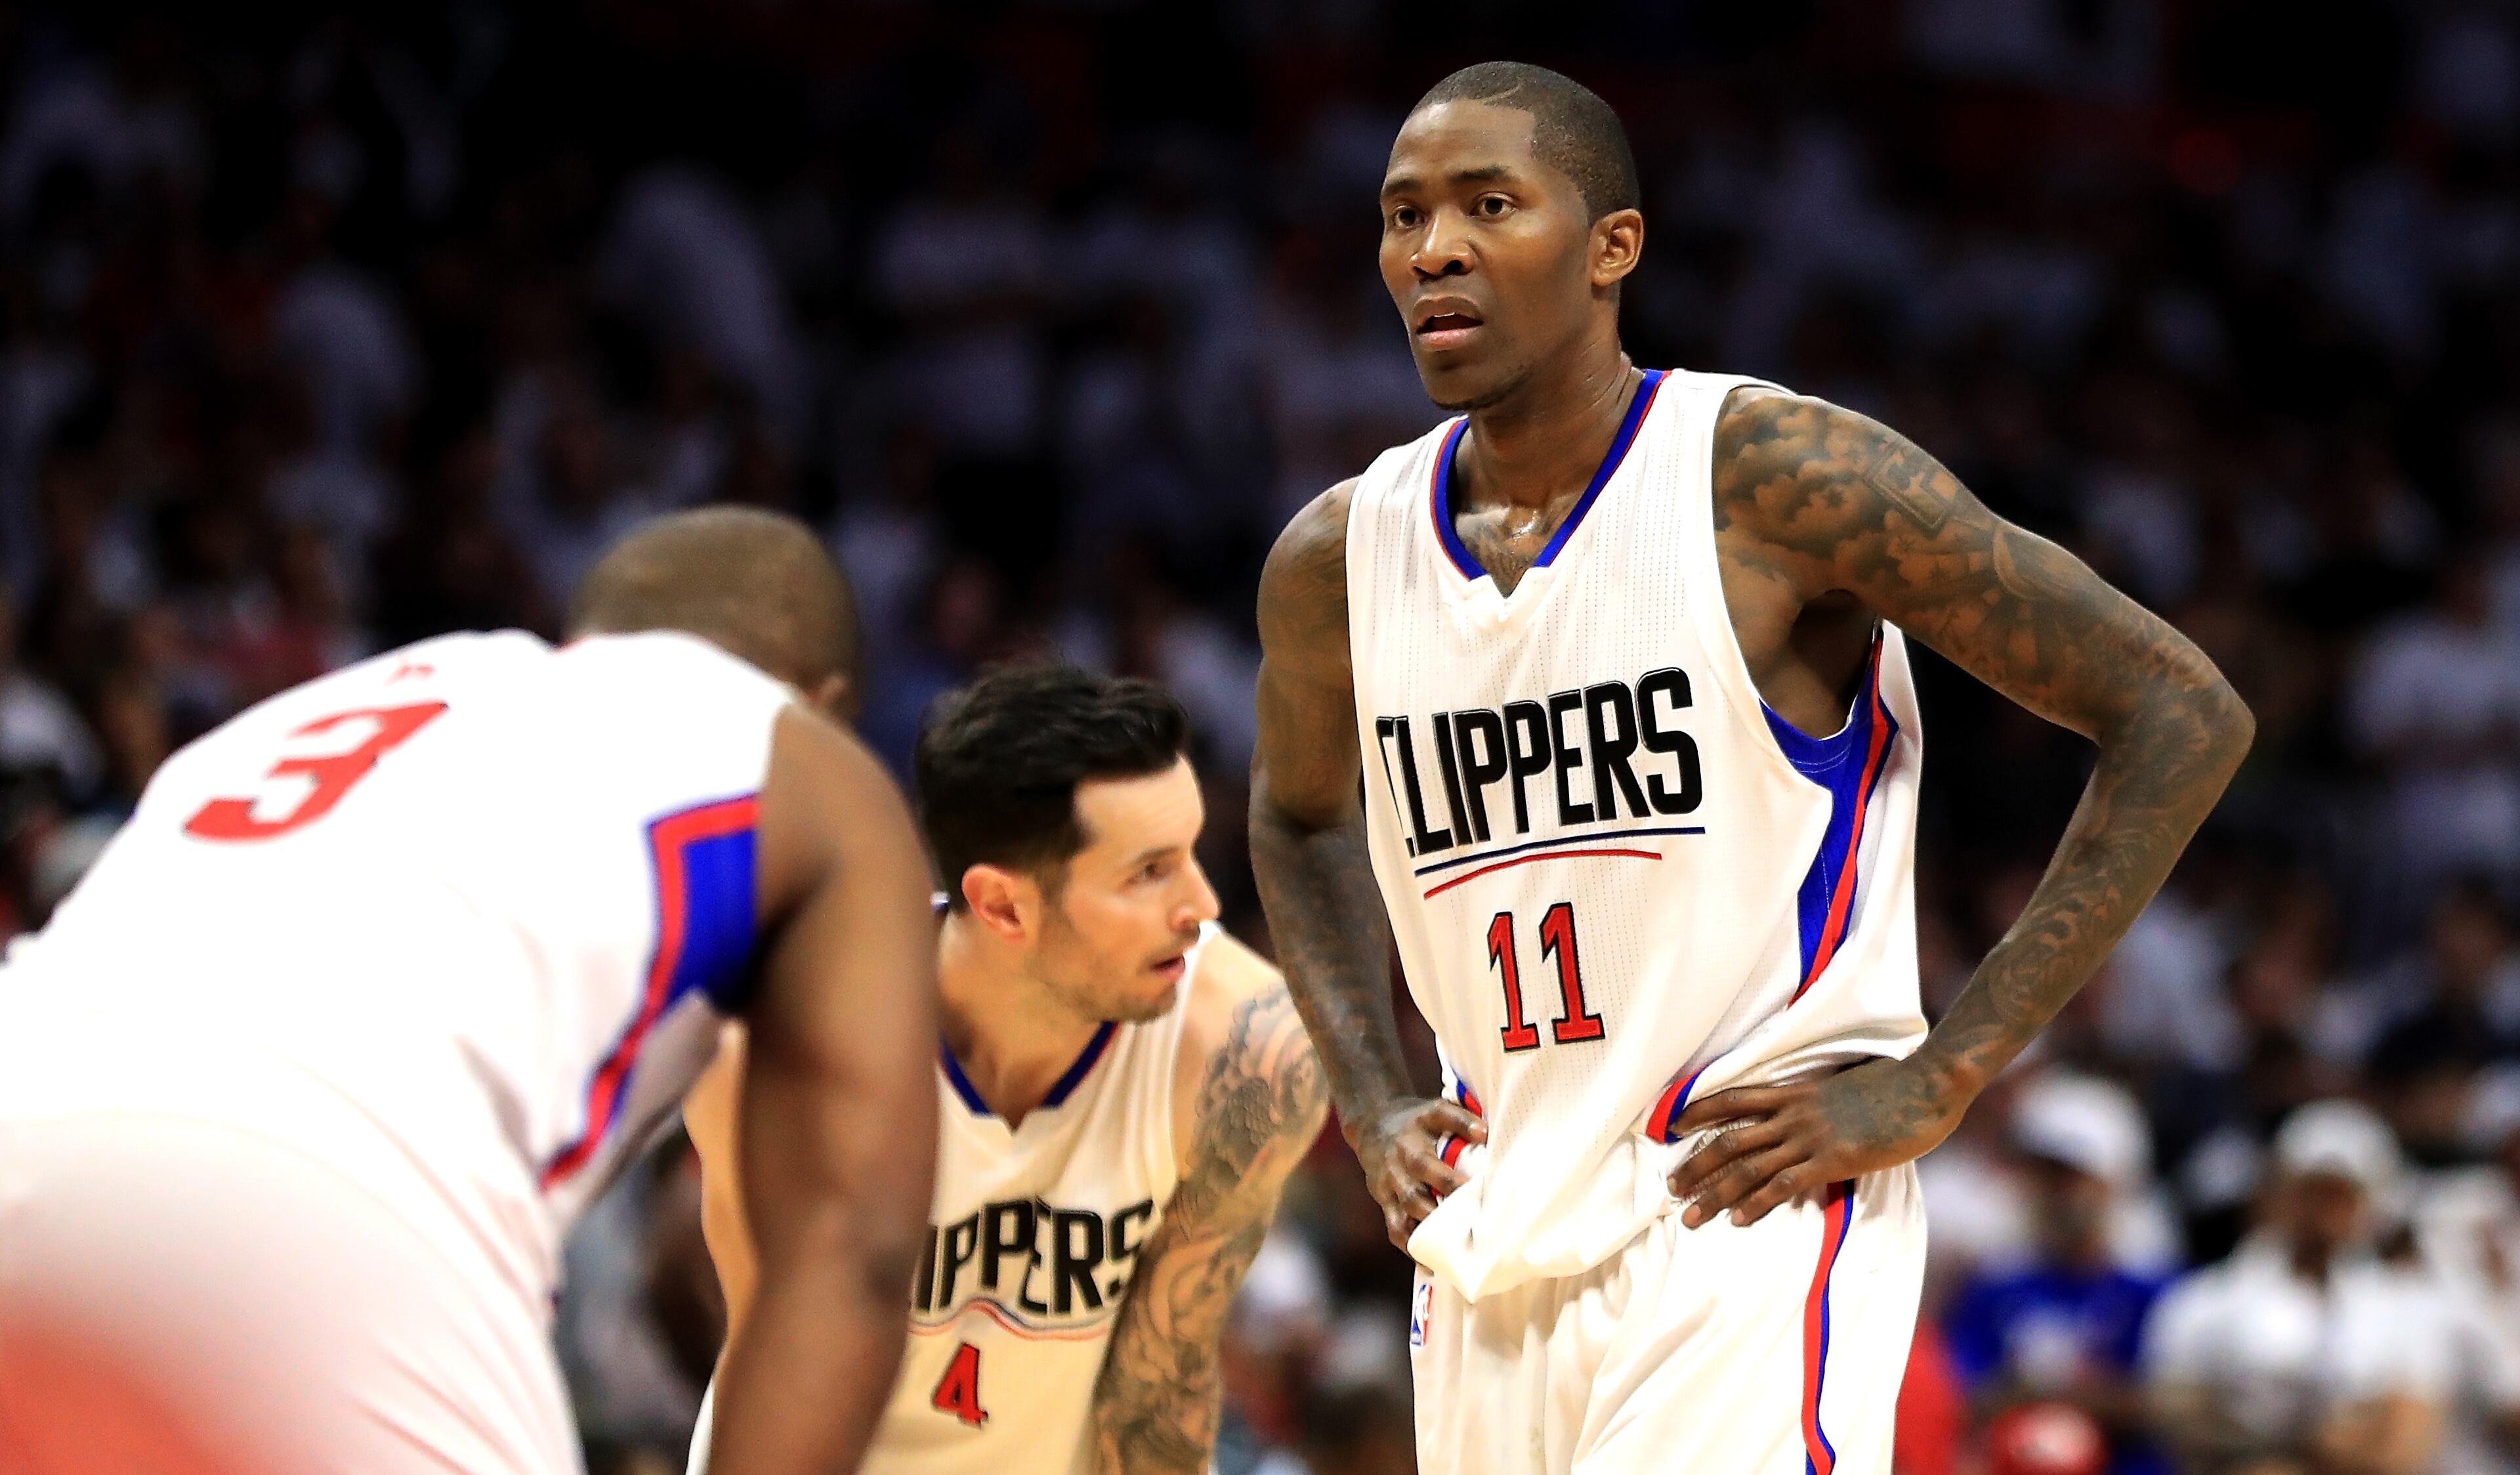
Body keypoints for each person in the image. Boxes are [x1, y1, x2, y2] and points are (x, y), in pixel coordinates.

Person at [1247, 59, 2254, 1475]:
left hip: (1736, 1215)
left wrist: (1937, 1078)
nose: (1436, 249)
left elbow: (2177, 709)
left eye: (1489, 204)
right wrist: (1367, 1092)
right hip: (1488, 1228)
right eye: (1404, 214)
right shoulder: (1337, 555)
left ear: (1613, 247)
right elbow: (1295, 817)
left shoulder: (1768, 477)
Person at [0, 508, 940, 1475]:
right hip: (330, 1189)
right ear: (827, 696)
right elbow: (852, 1244)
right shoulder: (811, 760)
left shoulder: (354, 699)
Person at [682, 664, 1327, 1475]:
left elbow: (1161, 1391)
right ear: (1002, 906)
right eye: (1149, 873)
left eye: (1191, 854)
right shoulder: (782, 1049)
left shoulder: (1246, 1046)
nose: (1200, 903)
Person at [2145, 1101, 2459, 1475]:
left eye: (2342, 1194)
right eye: (2312, 1191)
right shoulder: (2205, 1300)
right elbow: (2178, 1423)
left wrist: (2264, 1427)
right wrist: (2325, 1437)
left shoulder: (2407, 1307)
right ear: (2278, 1189)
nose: (2325, 1210)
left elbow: (2405, 1447)